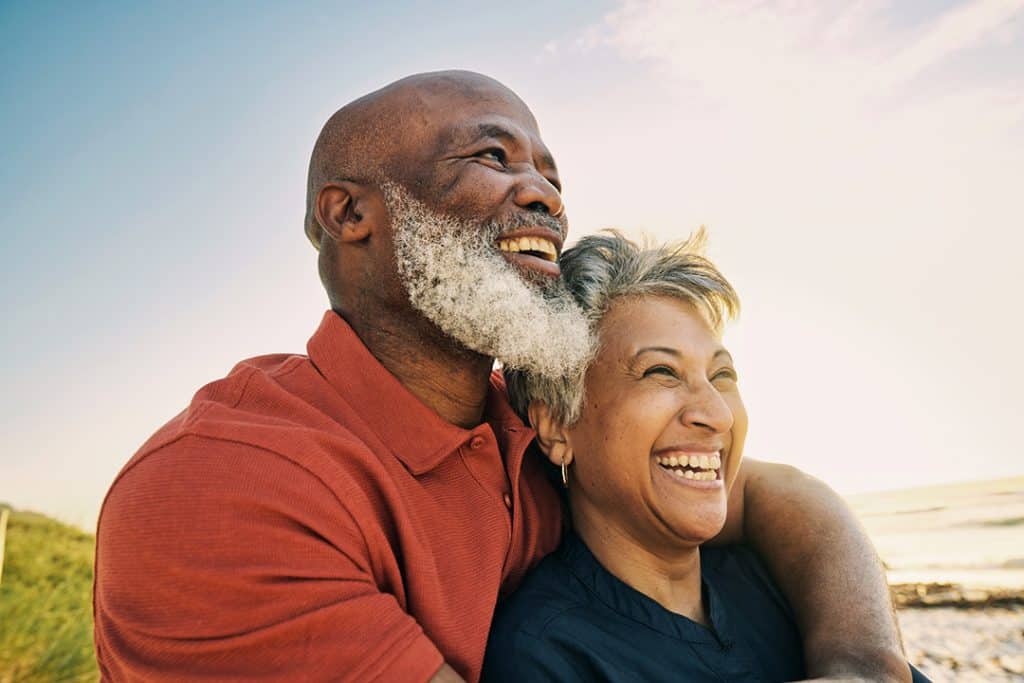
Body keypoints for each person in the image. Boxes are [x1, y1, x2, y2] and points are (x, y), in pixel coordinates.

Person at [93, 71, 910, 682]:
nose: (547, 199)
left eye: (552, 176)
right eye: (494, 155)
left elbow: (768, 494)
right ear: (351, 215)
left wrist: (863, 659)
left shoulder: (524, 431)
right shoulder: (218, 489)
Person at [485, 231, 928, 682]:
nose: (716, 414)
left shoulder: (785, 584)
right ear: (557, 425)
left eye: (722, 374)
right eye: (661, 372)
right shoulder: (545, 656)